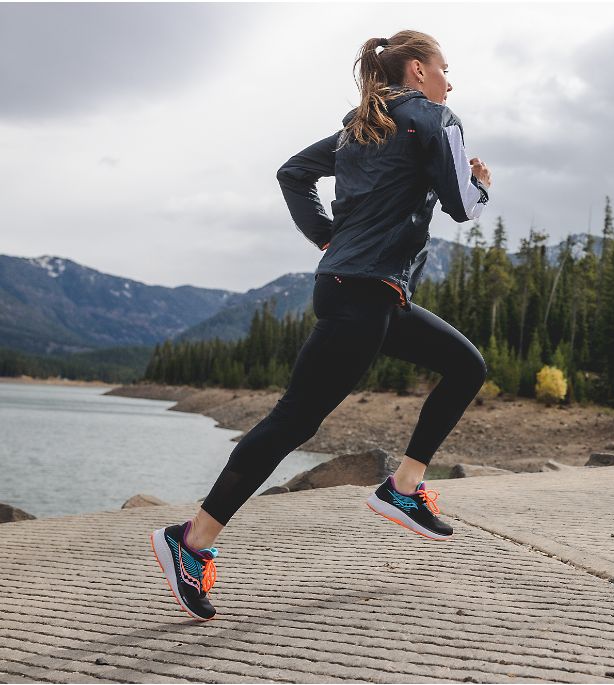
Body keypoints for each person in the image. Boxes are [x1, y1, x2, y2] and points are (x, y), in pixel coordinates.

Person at [150, 29, 492, 621]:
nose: (449, 80)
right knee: (294, 421)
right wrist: (481, 182)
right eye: (443, 68)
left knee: (466, 365)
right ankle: (191, 540)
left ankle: (403, 488)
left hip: (371, 292)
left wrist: (327, 240)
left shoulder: (362, 129)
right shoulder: (435, 117)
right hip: (362, 295)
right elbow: (463, 203)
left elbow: (291, 173)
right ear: (416, 70)